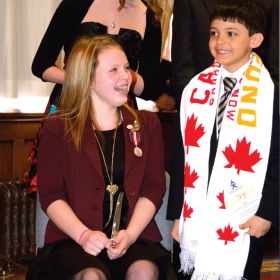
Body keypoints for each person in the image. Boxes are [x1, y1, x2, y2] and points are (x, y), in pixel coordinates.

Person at [26, 35, 175, 280]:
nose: (126, 76)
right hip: (72, 240)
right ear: (88, 79)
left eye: (126, 68)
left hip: (133, 239)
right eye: (114, 70)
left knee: (144, 270)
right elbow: (51, 195)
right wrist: (84, 235)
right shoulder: (57, 128)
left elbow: (154, 188)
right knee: (91, 276)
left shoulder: (147, 125)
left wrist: (130, 234)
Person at [168, 0, 278, 279]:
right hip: (196, 210)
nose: (220, 41)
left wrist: (268, 212)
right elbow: (182, 154)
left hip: (245, 213)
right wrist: (179, 212)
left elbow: (277, 158)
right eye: (214, 33)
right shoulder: (195, 89)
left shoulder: (271, 94)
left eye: (232, 33)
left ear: (255, 39)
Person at [23, 0, 163, 195]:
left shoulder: (149, 15)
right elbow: (40, 65)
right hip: (73, 105)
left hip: (119, 112)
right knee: (60, 186)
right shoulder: (75, 5)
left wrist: (118, 76)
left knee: (115, 184)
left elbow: (150, 88)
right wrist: (85, 79)